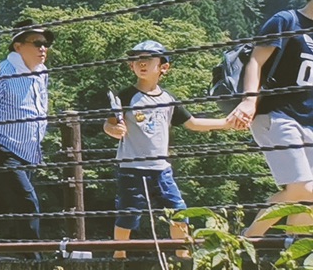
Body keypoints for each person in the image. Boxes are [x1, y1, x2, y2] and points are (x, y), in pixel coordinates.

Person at [104, 39, 243, 245]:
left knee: (179, 211)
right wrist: (114, 130)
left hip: (161, 168)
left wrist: (227, 123)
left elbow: (192, 123)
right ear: (130, 65)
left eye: (148, 59)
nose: (141, 63)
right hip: (131, 167)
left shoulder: (168, 99)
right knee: (129, 214)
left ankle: (183, 255)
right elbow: (109, 124)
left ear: (164, 67)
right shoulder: (126, 96)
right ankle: (120, 255)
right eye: (136, 59)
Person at [228, 0, 313, 238]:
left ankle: (294, 249)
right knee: (302, 188)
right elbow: (256, 61)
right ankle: (249, 238)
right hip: (277, 114)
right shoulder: (286, 20)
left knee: (304, 196)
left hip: (309, 120)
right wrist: (249, 100)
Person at [0, 21, 53, 241]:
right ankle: (34, 258)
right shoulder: (2, 72)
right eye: (37, 43)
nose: (43, 48)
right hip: (4, 149)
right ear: (18, 46)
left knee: (1, 204)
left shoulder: (41, 72)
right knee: (27, 201)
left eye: (46, 43)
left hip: (29, 150)